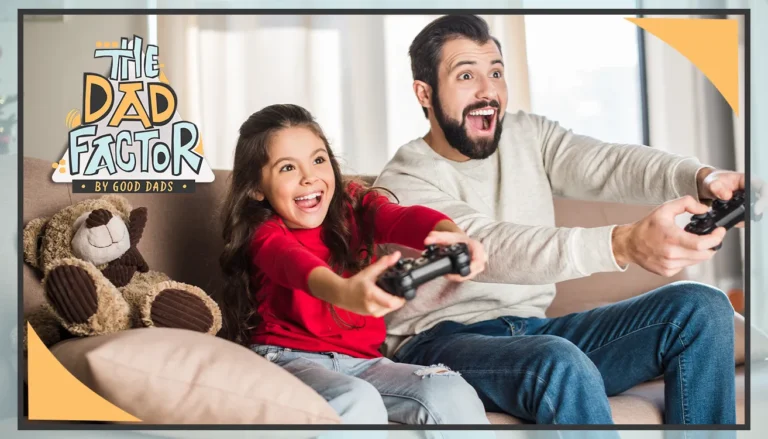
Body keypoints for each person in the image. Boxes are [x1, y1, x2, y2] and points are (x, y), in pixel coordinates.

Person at [375, 14, 750, 425]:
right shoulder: (401, 183)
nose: (488, 91)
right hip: (439, 343)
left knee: (703, 308)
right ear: (424, 93)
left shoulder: (528, 135)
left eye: (496, 72)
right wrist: (622, 243)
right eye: (466, 76)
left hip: (534, 330)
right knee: (556, 359)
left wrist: (702, 178)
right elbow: (489, 246)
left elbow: (607, 163)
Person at [217, 103, 491, 427]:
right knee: (357, 400)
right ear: (255, 188)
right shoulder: (264, 235)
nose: (309, 178)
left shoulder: (356, 208)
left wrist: (454, 236)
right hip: (286, 360)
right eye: (288, 168)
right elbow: (297, 265)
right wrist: (344, 291)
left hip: (365, 363)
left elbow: (404, 219)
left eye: (318, 160)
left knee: (450, 390)